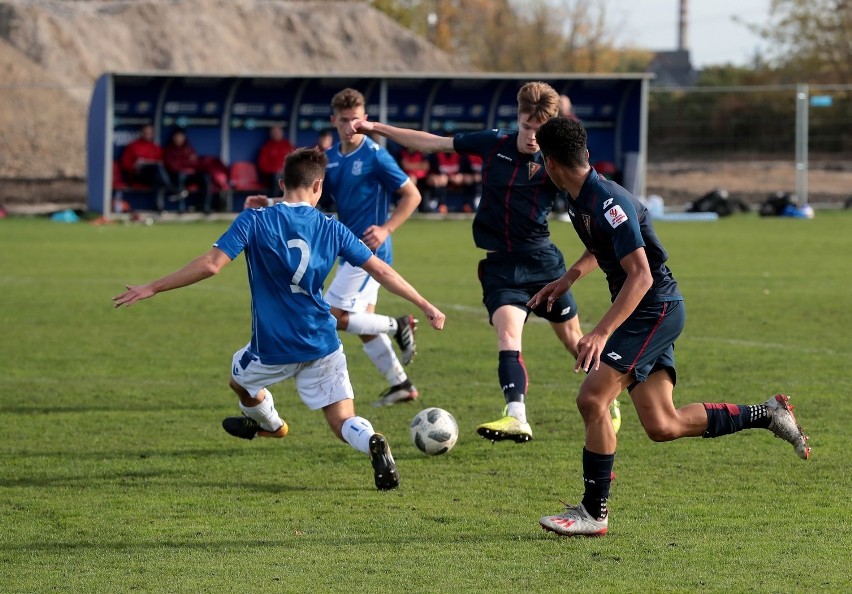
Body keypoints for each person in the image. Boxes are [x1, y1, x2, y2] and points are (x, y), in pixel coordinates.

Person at [528, 116, 810, 536]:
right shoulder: (578, 196)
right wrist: (567, 278)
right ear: (582, 154)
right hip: (650, 308)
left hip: (652, 307)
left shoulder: (608, 201)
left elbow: (640, 275)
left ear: (550, 163)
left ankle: (593, 513)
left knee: (592, 399)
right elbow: (601, 246)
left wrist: (601, 332)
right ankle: (767, 414)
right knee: (663, 425)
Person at [112, 147, 446, 491]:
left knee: (239, 382)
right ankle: (371, 439)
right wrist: (424, 304)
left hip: (273, 346)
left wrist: (153, 286)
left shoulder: (254, 220)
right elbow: (381, 270)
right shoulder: (333, 228)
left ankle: (271, 425)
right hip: (322, 342)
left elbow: (212, 264)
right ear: (318, 187)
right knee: (343, 420)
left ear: (282, 182)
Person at [348, 81, 621, 443]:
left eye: (540, 131)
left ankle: (610, 398)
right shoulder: (495, 143)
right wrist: (377, 128)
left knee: (574, 341)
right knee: (508, 334)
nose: (532, 137)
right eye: (526, 127)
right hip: (501, 267)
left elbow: (590, 198)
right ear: (518, 119)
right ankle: (516, 416)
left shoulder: (556, 164)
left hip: (543, 264)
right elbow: (431, 141)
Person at [252, 88, 424, 407]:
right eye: (344, 120)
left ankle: (398, 324)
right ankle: (401, 384)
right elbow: (311, 198)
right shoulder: (333, 160)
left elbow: (413, 195)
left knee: (329, 313)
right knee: (361, 324)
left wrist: (386, 229)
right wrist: (274, 201)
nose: (350, 127)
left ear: (366, 120)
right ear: (334, 120)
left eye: (356, 120)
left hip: (367, 253)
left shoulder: (375, 155)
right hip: (347, 250)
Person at [118, 123, 184, 208]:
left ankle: (159, 207)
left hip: (153, 176)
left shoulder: (155, 147)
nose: (148, 135)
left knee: (157, 176)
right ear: (141, 133)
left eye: (150, 133)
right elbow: (125, 164)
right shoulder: (133, 146)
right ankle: (172, 189)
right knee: (157, 173)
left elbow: (162, 162)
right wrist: (134, 166)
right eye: (145, 132)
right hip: (138, 175)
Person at [162, 127, 213, 213]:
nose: (179, 139)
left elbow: (195, 163)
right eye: (177, 137)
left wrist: (188, 168)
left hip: (190, 174)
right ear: (173, 138)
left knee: (205, 177)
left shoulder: (188, 149)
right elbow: (171, 166)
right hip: (175, 176)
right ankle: (181, 207)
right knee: (181, 176)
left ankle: (205, 206)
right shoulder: (169, 149)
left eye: (181, 136)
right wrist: (185, 168)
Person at [257, 125, 295, 197]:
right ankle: (275, 200)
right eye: (274, 132)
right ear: (271, 134)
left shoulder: (288, 145)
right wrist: (276, 170)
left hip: (287, 173)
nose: (276, 134)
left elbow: (296, 160)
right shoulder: (267, 147)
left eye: (278, 132)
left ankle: (292, 200)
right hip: (271, 175)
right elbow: (262, 165)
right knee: (278, 176)